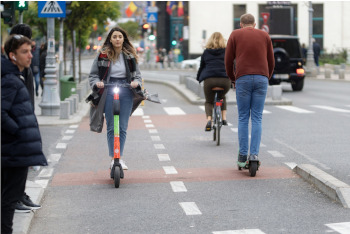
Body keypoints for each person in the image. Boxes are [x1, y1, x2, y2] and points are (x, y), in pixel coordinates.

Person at [1, 34, 48, 234]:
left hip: (15, 149)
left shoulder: (16, 76)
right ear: (12, 55)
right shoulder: (10, 80)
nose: (30, 56)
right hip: (14, 150)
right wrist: (18, 131)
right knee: (10, 199)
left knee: (9, 197)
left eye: (30, 51)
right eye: (24, 52)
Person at [88, 27, 142, 170]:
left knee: (122, 126)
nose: (117, 39)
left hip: (126, 90)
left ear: (123, 39)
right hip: (108, 89)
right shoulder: (102, 55)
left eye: (120, 36)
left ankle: (120, 157)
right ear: (110, 40)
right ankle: (113, 158)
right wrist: (97, 83)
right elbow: (93, 75)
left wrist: (136, 82)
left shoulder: (130, 56)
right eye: (114, 37)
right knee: (112, 126)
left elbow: (137, 75)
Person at [225, 13, 274, 165]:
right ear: (254, 24)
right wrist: (267, 77)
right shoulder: (264, 35)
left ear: (241, 24)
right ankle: (254, 155)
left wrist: (233, 78)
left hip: (242, 78)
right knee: (257, 117)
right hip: (261, 78)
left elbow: (228, 60)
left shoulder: (235, 35)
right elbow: (271, 60)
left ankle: (242, 155)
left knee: (243, 117)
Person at [9, 23, 43, 213]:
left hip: (26, 116)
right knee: (16, 163)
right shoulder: (14, 65)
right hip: (17, 120)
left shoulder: (24, 63)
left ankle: (20, 194)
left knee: (23, 162)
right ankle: (14, 198)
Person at [196, 32, 231, 131]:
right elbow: (233, 66)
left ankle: (209, 120)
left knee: (209, 101)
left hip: (209, 80)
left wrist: (199, 78)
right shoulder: (227, 51)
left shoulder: (206, 52)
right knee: (222, 96)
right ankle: (224, 118)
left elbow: (202, 67)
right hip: (225, 80)